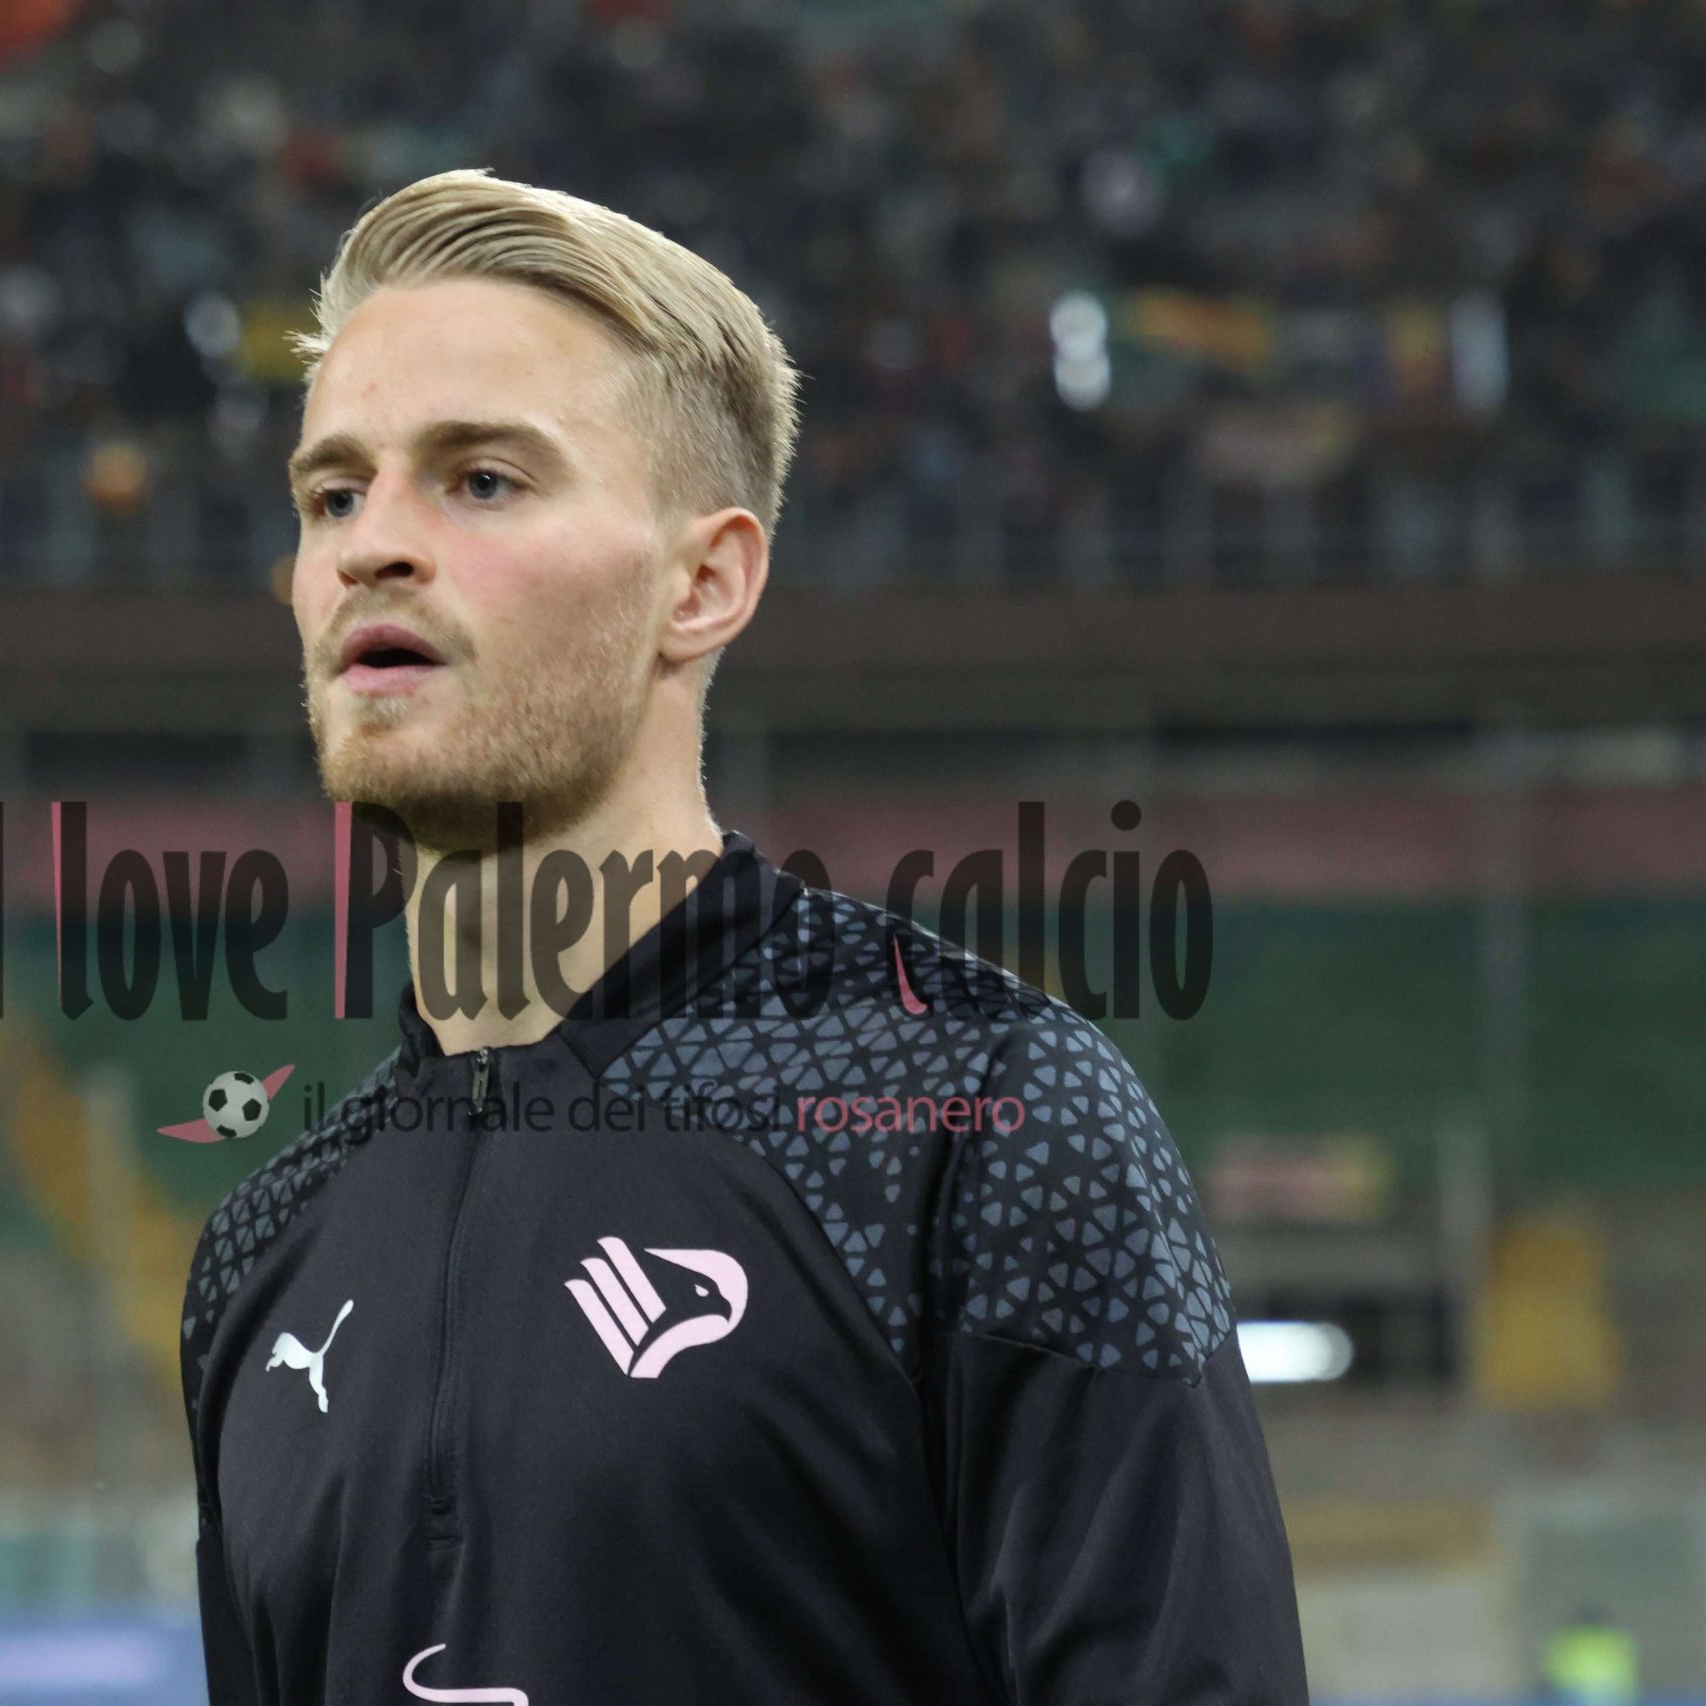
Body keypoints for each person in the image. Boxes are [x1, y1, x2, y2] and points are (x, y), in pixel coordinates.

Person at [179, 168, 1307, 1704]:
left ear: (704, 582)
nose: (374, 544)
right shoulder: (259, 1251)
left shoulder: (982, 1123)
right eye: (333, 492)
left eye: (483, 480)